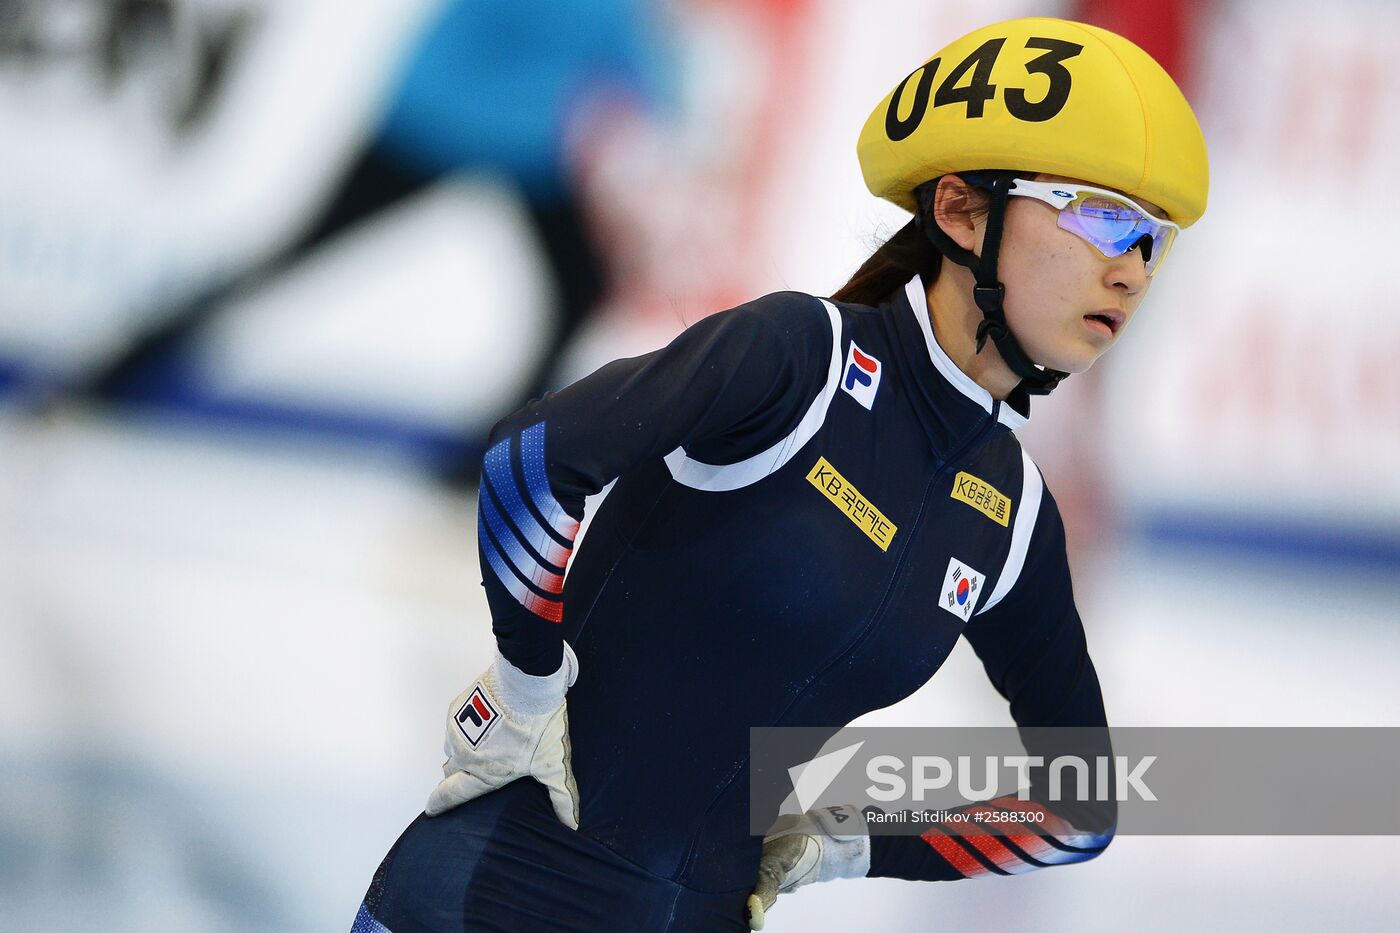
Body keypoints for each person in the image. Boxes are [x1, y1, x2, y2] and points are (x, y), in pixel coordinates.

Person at [352, 16, 1208, 933]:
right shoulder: (795, 356)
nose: (1131, 270)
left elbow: (1081, 807)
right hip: (492, 895)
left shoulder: (1014, 518)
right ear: (960, 210)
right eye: (1102, 216)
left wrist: (848, 837)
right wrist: (523, 688)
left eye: (1154, 238)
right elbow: (534, 457)